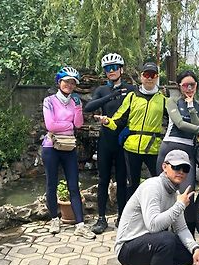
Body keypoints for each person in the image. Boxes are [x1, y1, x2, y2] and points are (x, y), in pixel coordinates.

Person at [115, 149, 199, 265]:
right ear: (164, 167)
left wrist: (195, 248)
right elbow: (153, 225)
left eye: (185, 169)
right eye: (176, 167)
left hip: (146, 245)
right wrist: (180, 206)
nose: (181, 172)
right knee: (166, 240)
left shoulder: (174, 193)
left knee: (188, 252)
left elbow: (182, 228)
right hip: (127, 248)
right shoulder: (152, 187)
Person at [156, 70, 199, 235]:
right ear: (179, 86)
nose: (189, 88)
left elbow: (197, 127)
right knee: (163, 194)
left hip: (187, 151)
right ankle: (161, 235)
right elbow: (180, 124)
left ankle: (188, 237)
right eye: (185, 85)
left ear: (196, 86)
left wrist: (191, 108)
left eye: (192, 85)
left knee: (187, 195)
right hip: (169, 148)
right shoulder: (171, 102)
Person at [95, 62, 168, 199]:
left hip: (152, 147)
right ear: (141, 76)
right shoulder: (132, 96)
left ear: (157, 77)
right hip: (131, 148)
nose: (149, 78)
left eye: (153, 75)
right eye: (146, 75)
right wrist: (107, 121)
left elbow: (173, 122)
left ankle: (157, 214)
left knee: (160, 182)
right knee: (131, 184)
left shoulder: (164, 100)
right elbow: (119, 118)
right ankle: (132, 217)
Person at [84, 53, 135, 233]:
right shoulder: (101, 90)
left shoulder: (130, 89)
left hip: (122, 141)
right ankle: (101, 218)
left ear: (121, 69)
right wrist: (111, 95)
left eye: (114, 67)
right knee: (103, 180)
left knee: (122, 181)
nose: (111, 71)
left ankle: (122, 216)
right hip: (105, 141)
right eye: (107, 68)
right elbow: (88, 107)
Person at [42, 66, 95, 239]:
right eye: (66, 81)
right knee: (51, 184)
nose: (69, 85)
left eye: (73, 82)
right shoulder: (49, 101)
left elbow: (78, 124)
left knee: (73, 185)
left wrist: (78, 109)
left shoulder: (75, 102)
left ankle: (80, 224)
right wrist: (69, 125)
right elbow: (50, 125)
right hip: (51, 146)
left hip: (69, 148)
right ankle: (54, 219)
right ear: (59, 82)